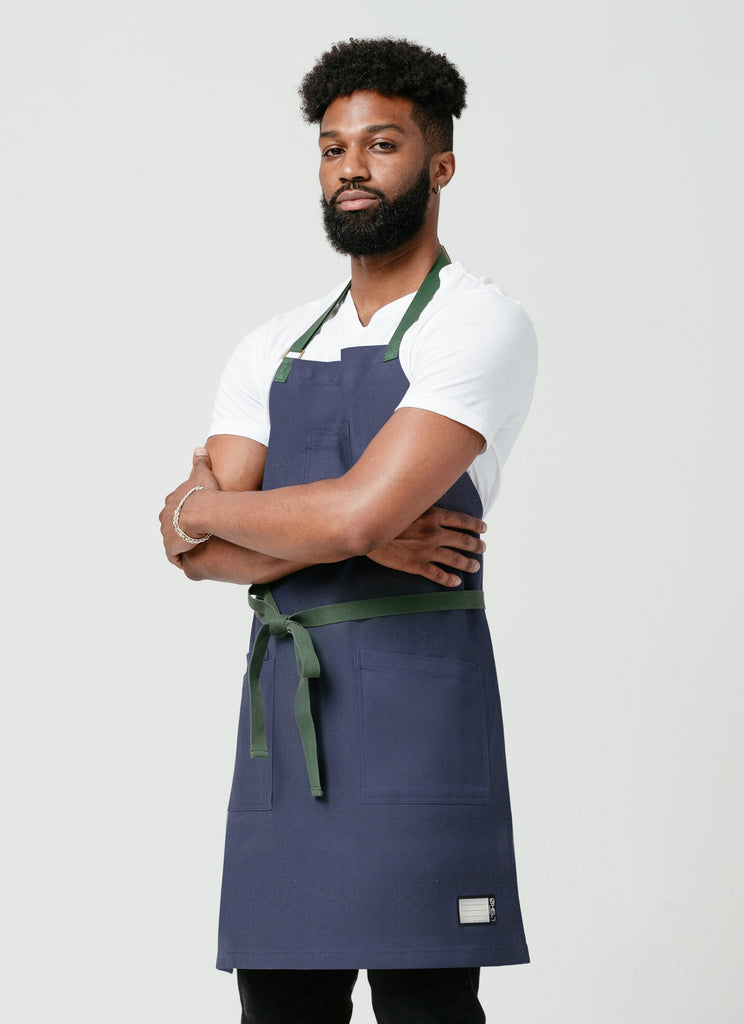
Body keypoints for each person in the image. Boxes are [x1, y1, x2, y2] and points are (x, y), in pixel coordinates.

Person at [160, 37, 537, 1024]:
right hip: (289, 726)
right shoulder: (271, 346)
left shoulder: (478, 325)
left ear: (440, 164)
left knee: (427, 1002)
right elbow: (198, 552)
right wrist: (347, 533)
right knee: (280, 1005)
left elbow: (343, 507)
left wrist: (212, 508)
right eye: (333, 150)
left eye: (381, 145)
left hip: (420, 721)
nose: (352, 170)